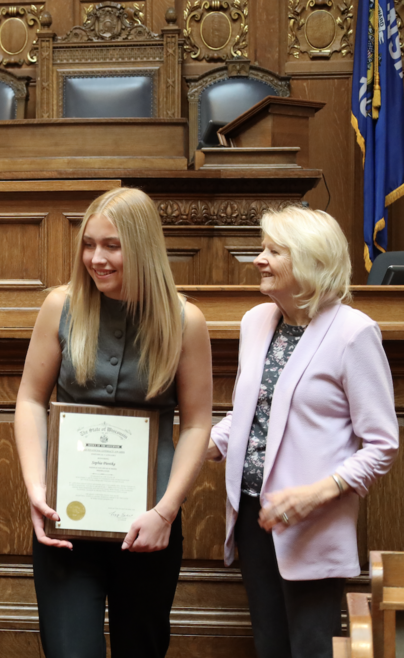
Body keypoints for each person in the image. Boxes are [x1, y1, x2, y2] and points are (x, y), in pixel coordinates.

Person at [14, 187, 213, 658]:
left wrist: (166, 512)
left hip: (148, 522)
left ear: (142, 248)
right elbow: (27, 399)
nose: (96, 258)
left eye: (112, 245)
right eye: (89, 244)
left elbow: (199, 423)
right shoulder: (59, 306)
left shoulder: (185, 321)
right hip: (65, 517)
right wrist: (35, 489)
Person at [207, 206, 399, 658]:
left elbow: (382, 444)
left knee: (311, 649)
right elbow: (246, 415)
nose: (259, 259)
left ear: (311, 262)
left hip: (312, 522)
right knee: (269, 646)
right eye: (262, 248)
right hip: (255, 514)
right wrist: (196, 447)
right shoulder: (256, 321)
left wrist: (318, 493)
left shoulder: (354, 333)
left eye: (274, 251)